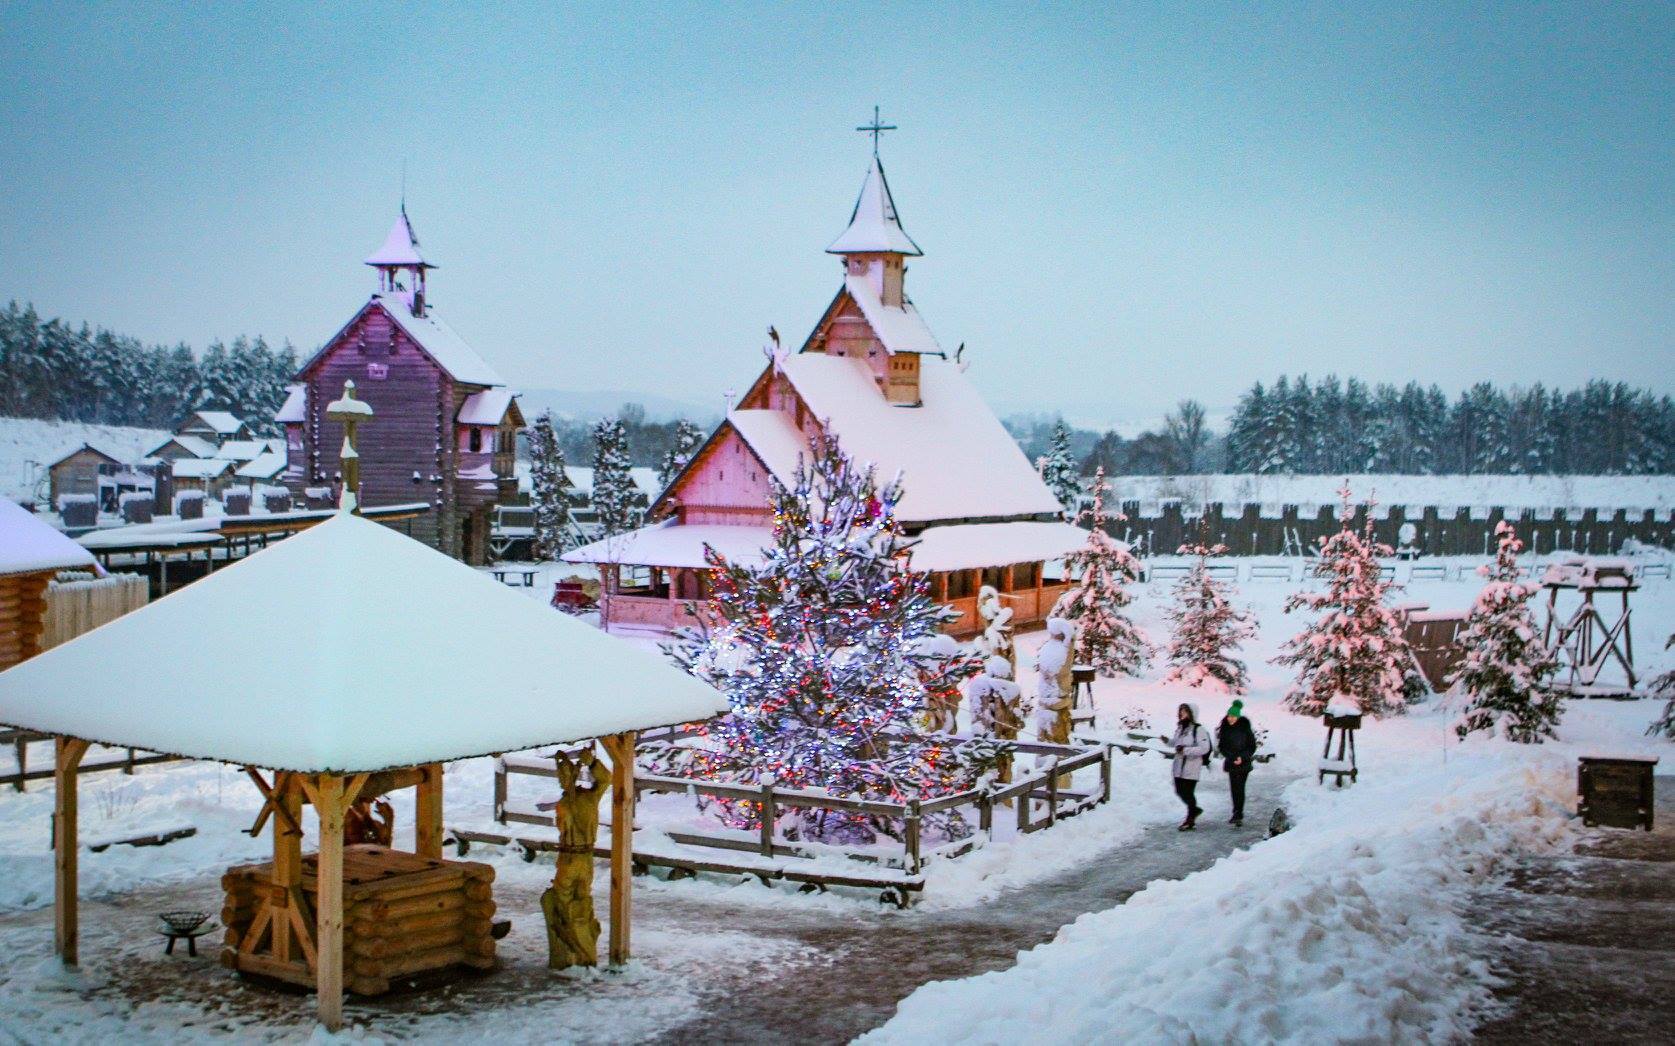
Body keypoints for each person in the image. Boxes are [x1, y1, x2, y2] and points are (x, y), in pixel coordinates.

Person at [1169, 702, 1212, 830]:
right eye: (1181, 710)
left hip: (1191, 767)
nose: (1182, 713)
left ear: (1192, 714)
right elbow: (1176, 743)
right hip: (1178, 767)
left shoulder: (1198, 730)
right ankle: (1194, 810)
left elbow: (1205, 748)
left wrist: (1186, 750)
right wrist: (1168, 741)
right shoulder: (1180, 728)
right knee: (1179, 791)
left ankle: (1190, 819)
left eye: (1185, 711)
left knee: (1187, 792)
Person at [1216, 699, 1257, 826]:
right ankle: (1236, 813)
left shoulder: (1245, 727)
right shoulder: (1225, 727)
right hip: (1231, 762)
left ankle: (1239, 813)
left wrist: (1242, 757)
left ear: (1238, 717)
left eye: (1233, 716)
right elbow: (1221, 746)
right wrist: (1231, 757)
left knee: (1240, 787)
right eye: (1229, 716)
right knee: (1234, 788)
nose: (1230, 719)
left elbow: (1252, 746)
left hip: (1244, 763)